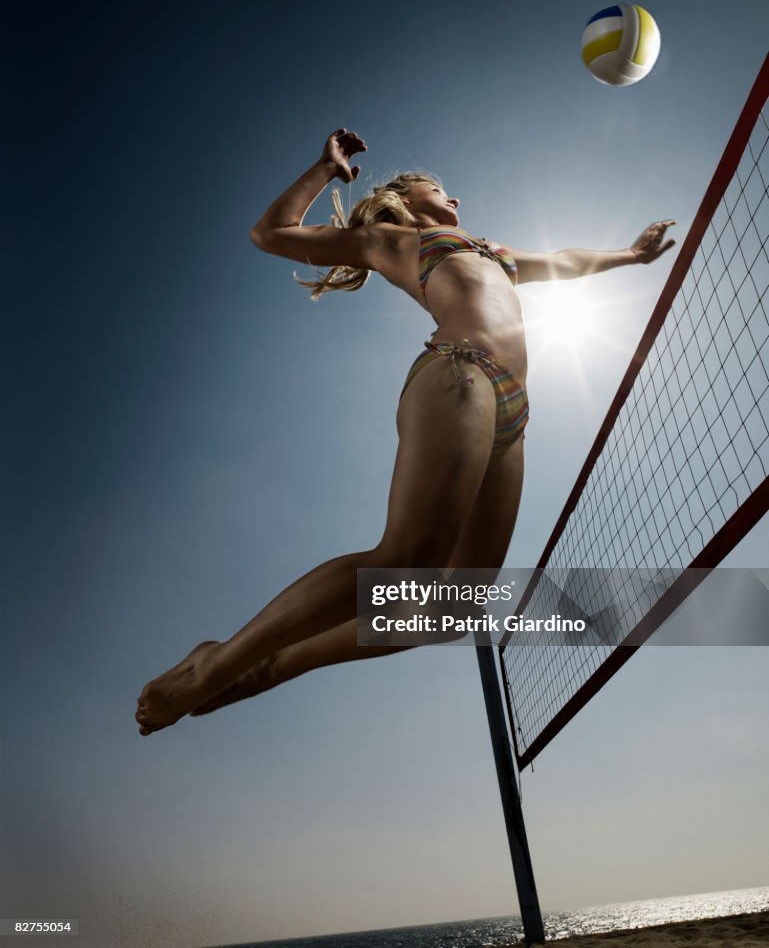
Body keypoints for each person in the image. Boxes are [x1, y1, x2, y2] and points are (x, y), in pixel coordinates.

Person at [135, 128, 675, 736]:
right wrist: (325, 170)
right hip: (458, 372)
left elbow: (565, 262)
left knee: (453, 607)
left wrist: (630, 256)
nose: (455, 198)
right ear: (403, 196)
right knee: (405, 565)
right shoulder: (392, 239)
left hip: (513, 411)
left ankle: (273, 666)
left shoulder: (492, 250)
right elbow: (271, 233)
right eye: (440, 187)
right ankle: (218, 661)